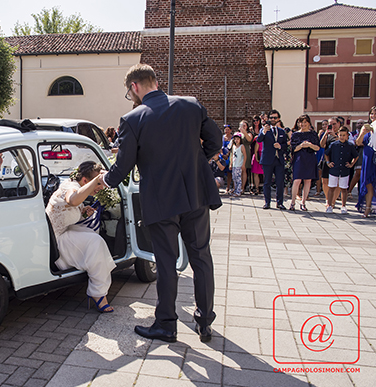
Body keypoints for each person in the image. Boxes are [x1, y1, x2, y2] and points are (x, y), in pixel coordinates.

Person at [103, 63, 222, 343]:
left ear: (134, 87)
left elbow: (122, 166)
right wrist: (195, 162)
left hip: (160, 201)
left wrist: (104, 181)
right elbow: (215, 142)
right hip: (196, 195)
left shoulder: (132, 119)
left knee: (166, 263)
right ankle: (205, 321)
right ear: (155, 81)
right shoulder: (192, 106)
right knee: (201, 257)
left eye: (128, 92)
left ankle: (166, 325)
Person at [45, 161, 115, 312]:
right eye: (98, 183)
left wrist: (83, 212)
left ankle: (98, 285)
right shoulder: (70, 187)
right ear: (85, 181)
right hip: (55, 239)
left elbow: (71, 209)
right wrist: (96, 180)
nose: (100, 188)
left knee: (94, 237)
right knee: (95, 243)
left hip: (64, 231)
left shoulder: (78, 188)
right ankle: (98, 294)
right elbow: (72, 200)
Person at [257, 109, 288, 209]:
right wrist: (264, 132)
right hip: (268, 159)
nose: (273, 119)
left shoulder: (282, 131)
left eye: (275, 118)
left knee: (280, 182)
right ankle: (267, 202)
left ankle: (280, 202)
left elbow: (286, 145)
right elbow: (259, 140)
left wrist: (280, 146)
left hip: (278, 159)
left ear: (278, 119)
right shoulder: (264, 130)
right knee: (267, 182)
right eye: (271, 118)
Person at [324, 126, 358, 214]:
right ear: (338, 135)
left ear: (347, 136)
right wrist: (328, 162)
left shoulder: (350, 146)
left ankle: (343, 206)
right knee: (331, 187)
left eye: (344, 135)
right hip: (334, 169)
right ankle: (330, 205)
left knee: (344, 188)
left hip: (344, 170)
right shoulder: (334, 145)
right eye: (340, 135)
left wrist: (351, 164)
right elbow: (326, 153)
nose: (342, 137)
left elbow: (356, 156)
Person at [289, 115, 320, 211]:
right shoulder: (295, 134)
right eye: (301, 122)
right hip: (299, 158)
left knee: (308, 180)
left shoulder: (313, 134)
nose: (303, 124)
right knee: (297, 180)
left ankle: (303, 202)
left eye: (305, 122)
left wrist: (310, 145)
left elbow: (318, 147)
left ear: (309, 123)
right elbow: (293, 149)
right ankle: (293, 202)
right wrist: (301, 145)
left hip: (310, 158)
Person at [355, 106, 376, 217]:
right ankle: (367, 208)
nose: (373, 116)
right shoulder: (367, 127)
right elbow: (358, 143)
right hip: (368, 157)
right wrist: (362, 133)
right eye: (372, 114)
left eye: (375, 114)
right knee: (368, 183)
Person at [320, 117, 341, 206]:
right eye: (330, 124)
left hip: (338, 160)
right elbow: (321, 145)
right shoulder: (327, 134)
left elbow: (343, 143)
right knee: (325, 180)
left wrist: (335, 136)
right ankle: (328, 199)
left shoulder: (341, 133)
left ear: (338, 124)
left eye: (334, 124)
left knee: (337, 182)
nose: (332, 126)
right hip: (327, 159)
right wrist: (325, 134)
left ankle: (333, 201)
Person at [347, 119, 364, 200]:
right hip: (356, 154)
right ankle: (349, 191)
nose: (360, 124)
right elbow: (353, 143)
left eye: (362, 123)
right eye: (358, 123)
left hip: (365, 152)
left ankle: (362, 192)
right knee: (357, 173)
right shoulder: (352, 133)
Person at [250, 115, 263, 195]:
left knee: (261, 171)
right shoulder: (251, 130)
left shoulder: (262, 129)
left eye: (257, 120)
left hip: (261, 150)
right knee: (253, 170)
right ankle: (253, 187)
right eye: (254, 120)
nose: (256, 122)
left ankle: (260, 187)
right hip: (253, 149)